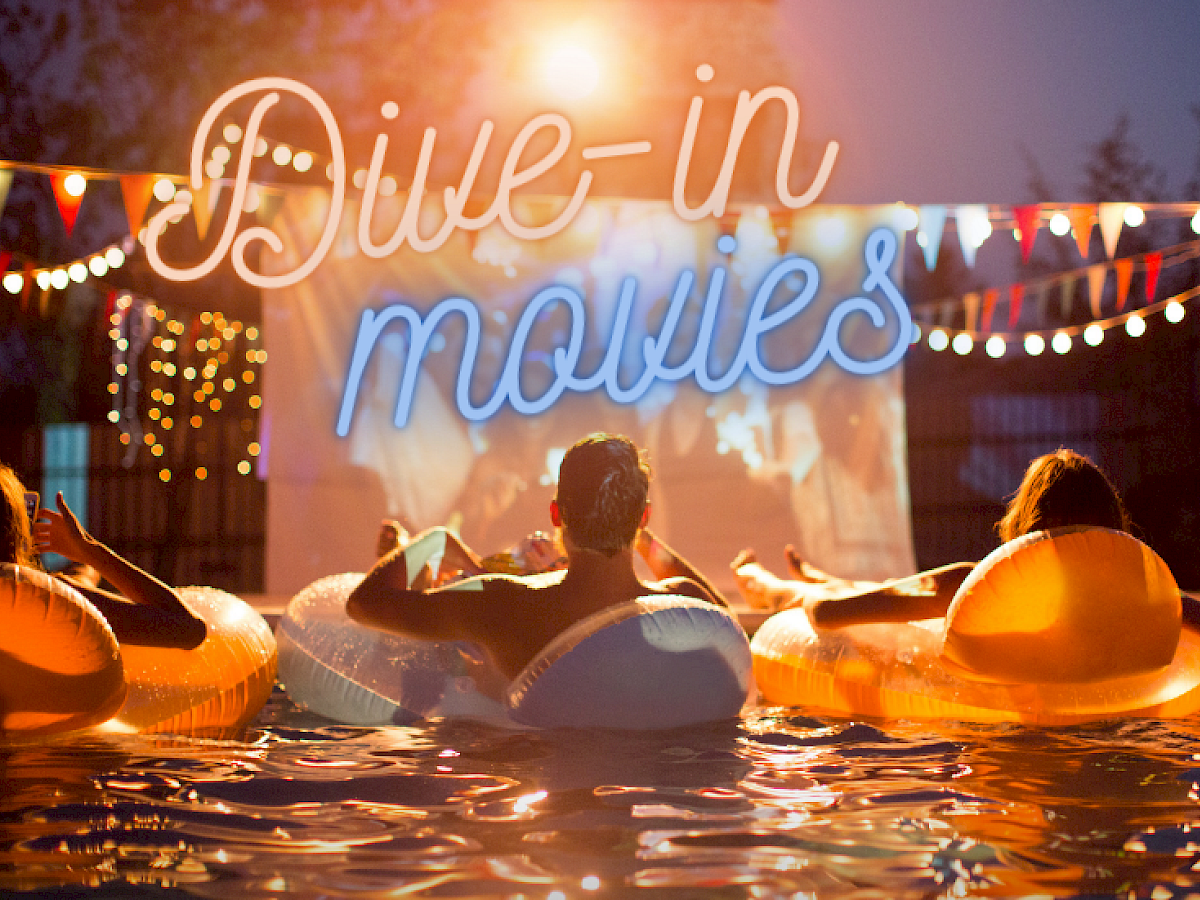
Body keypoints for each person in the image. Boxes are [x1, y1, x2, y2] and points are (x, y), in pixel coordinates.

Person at [347, 432, 731, 680]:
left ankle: (415, 561)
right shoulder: (686, 605)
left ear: (555, 515)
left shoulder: (503, 604)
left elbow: (364, 605)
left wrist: (432, 540)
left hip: (527, 775)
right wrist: (634, 527)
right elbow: (733, 638)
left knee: (444, 657)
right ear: (644, 517)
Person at [732, 448, 1190, 628]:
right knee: (848, 591)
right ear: (1113, 525)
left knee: (839, 594)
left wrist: (816, 595)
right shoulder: (1148, 595)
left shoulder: (976, 587)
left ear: (1026, 523)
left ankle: (774, 586)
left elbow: (828, 612)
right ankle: (785, 582)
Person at [1, 463, 206, 649]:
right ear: (17, 529)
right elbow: (189, 629)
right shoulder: (42, 597)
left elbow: (80, 580)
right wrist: (90, 550)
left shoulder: (45, 592)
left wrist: (84, 567)